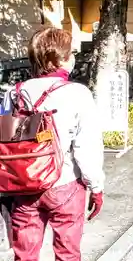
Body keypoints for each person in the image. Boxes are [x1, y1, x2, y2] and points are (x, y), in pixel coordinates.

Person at [3, 28, 104, 261]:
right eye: (71, 53)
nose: (74, 58)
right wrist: (96, 187)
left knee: (25, 255)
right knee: (67, 254)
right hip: (65, 182)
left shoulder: (15, 93)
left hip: (23, 184)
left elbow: (5, 140)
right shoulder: (78, 93)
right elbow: (85, 147)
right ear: (61, 59)